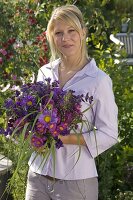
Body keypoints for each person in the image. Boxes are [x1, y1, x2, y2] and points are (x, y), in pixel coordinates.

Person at [25, 4, 118, 200]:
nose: (65, 38)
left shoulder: (98, 80)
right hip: (37, 175)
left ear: (83, 33)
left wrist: (66, 138)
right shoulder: (44, 73)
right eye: (58, 32)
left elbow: (109, 134)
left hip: (76, 180)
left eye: (71, 31)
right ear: (51, 36)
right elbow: (35, 117)